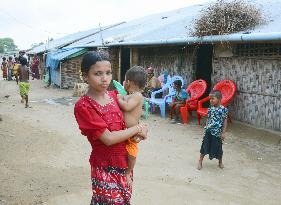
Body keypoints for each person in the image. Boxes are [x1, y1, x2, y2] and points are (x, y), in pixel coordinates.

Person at [74, 51, 148, 205]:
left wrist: (142, 131)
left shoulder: (116, 97)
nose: (104, 78)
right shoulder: (84, 106)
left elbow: (132, 121)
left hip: (125, 164)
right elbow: (108, 138)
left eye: (108, 73)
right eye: (98, 73)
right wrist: (138, 129)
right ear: (85, 76)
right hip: (105, 167)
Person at [117, 66, 147, 186]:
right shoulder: (128, 96)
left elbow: (127, 107)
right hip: (125, 131)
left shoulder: (138, 96)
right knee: (125, 153)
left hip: (133, 132)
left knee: (132, 155)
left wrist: (119, 98)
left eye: (124, 81)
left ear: (128, 82)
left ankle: (128, 172)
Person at [197, 90, 228, 170]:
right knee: (204, 146)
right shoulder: (210, 109)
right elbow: (208, 118)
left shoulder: (223, 109)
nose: (210, 100)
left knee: (219, 148)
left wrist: (223, 133)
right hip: (209, 132)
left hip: (217, 133)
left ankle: (220, 162)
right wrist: (206, 127)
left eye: (212, 98)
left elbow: (225, 122)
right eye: (210, 99)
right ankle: (200, 161)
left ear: (219, 99)